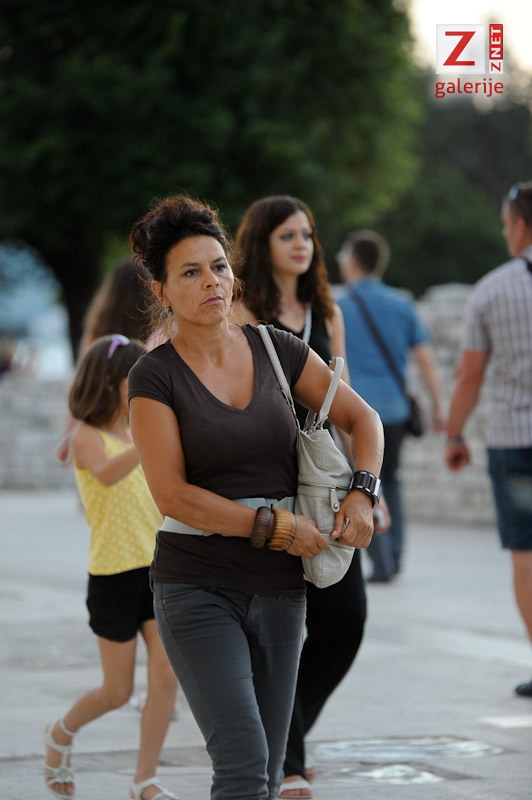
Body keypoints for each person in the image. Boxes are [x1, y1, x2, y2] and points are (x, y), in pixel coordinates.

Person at [127, 194, 384, 800]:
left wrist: (362, 494)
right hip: (197, 586)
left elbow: (364, 418)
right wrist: (277, 528)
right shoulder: (154, 376)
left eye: (219, 266)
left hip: (279, 590)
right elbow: (172, 495)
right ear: (163, 292)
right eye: (191, 272)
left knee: (267, 773)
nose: (211, 282)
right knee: (243, 765)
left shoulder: (277, 349)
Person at [234, 195, 388, 799]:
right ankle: (288, 759)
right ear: (262, 243)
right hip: (267, 476)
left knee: (345, 619)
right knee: (277, 626)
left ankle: (286, 735)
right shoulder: (242, 307)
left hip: (325, 479)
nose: (301, 244)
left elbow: (347, 401)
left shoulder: (326, 308)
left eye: (307, 234)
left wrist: (366, 487)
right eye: (287, 235)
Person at [44, 334, 179, 800]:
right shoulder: (85, 436)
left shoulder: (141, 430)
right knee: (117, 691)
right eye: (134, 378)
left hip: (158, 572)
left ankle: (145, 780)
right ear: (108, 382)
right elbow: (105, 472)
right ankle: (60, 733)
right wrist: (148, 440)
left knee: (166, 677)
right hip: (112, 578)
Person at [445, 181, 532, 698]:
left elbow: (470, 376)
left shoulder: (493, 290)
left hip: (516, 442)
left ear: (520, 226)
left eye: (505, 225)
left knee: (526, 554)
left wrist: (454, 434)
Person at [337, 230, 445, 582]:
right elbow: (425, 359)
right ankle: (395, 555)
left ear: (352, 262)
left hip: (357, 414)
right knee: (392, 480)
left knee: (365, 481)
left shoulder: (338, 306)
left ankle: (381, 563)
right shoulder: (402, 303)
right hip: (396, 410)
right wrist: (439, 406)